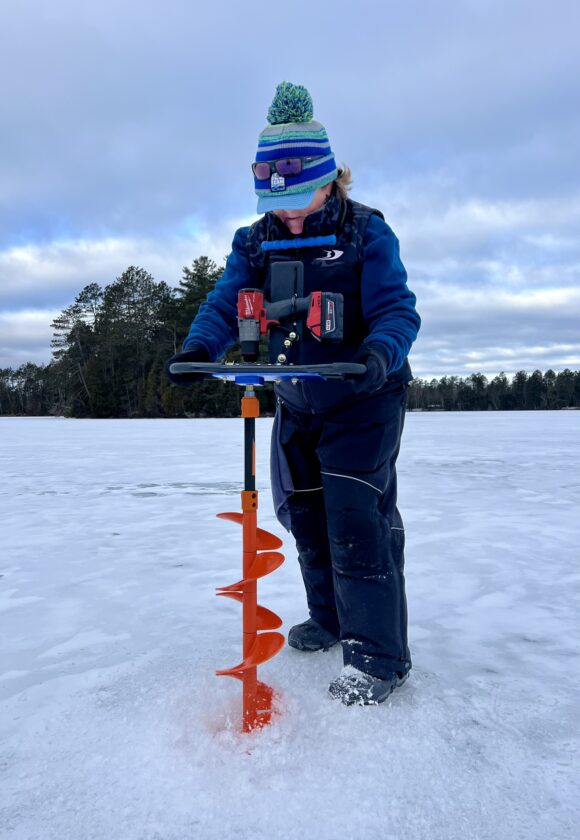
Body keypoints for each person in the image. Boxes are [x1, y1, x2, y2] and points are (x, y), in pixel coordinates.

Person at [167, 82, 421, 706]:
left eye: (303, 200)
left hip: (364, 397)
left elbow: (399, 312)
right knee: (303, 512)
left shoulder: (366, 233)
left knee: (356, 517)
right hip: (296, 399)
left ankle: (378, 658)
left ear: (330, 180)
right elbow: (229, 299)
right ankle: (332, 618)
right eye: (279, 204)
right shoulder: (254, 240)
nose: (292, 215)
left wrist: (375, 356)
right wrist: (201, 347)